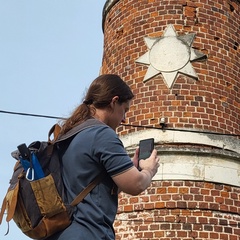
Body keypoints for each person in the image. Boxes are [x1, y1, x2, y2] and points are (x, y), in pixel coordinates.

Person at [49, 74, 159, 240]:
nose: (124, 118)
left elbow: (90, 185)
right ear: (114, 102)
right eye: (125, 110)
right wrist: (148, 170)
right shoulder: (102, 134)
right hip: (91, 233)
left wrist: (128, 168)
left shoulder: (68, 136)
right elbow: (135, 184)